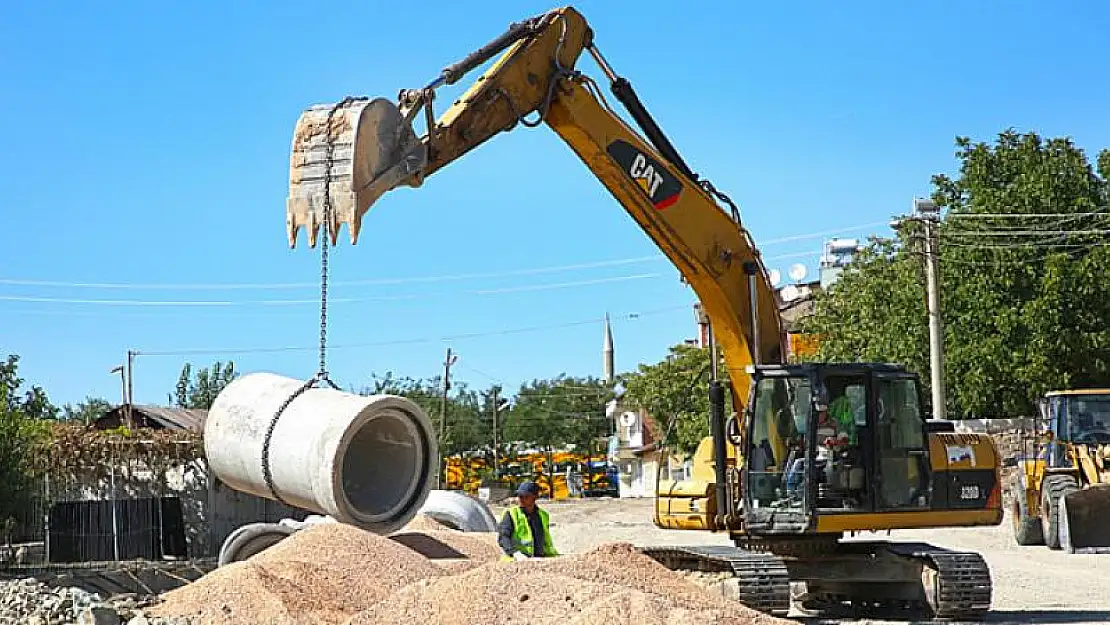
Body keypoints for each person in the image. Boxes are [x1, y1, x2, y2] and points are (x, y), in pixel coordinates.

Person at [498, 481, 559, 561]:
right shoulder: (511, 514)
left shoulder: (543, 515)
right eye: (520, 496)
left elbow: (545, 540)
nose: (521, 499)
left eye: (526, 496)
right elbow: (503, 537)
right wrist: (515, 553)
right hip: (516, 560)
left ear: (535, 497)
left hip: (540, 559)